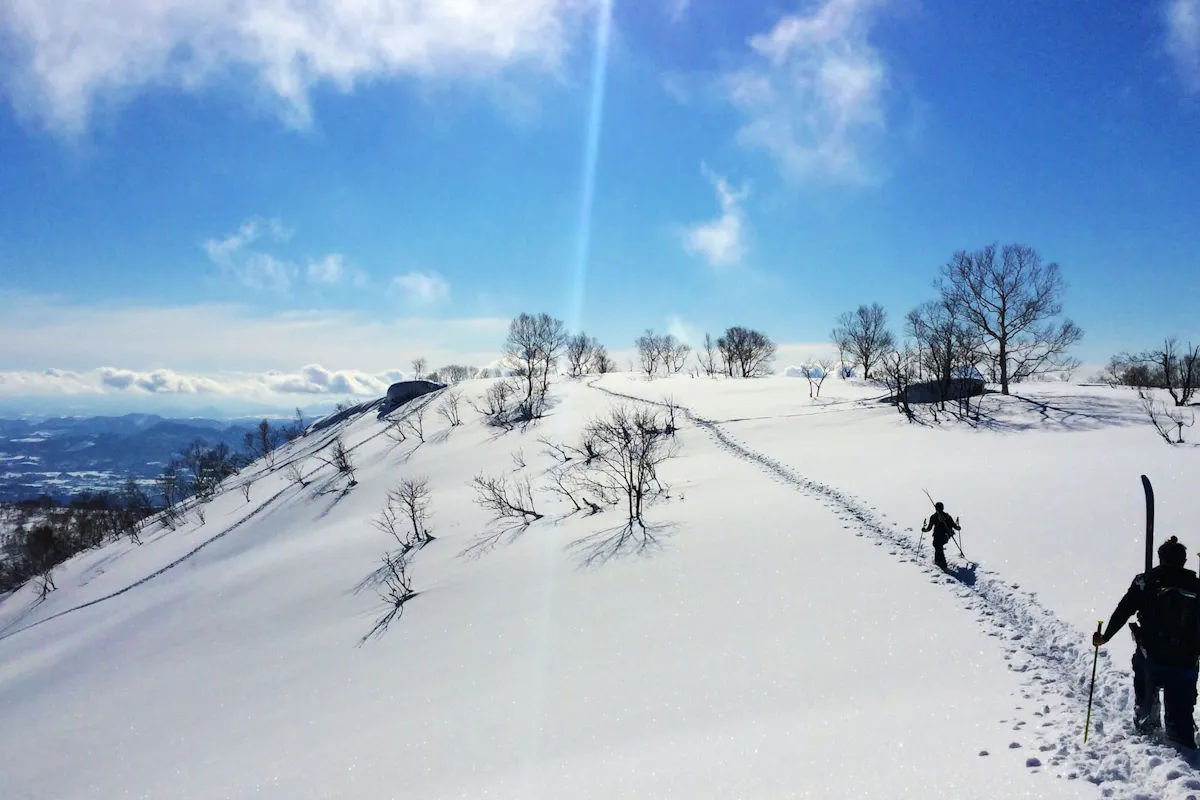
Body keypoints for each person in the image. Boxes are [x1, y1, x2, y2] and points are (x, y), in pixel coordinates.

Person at [1093, 536, 1200, 749]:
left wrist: (1105, 636)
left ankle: (1147, 722)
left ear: (1160, 558)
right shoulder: (1196, 585)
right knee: (1180, 709)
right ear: (1184, 561)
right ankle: (1181, 737)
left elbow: (1124, 610)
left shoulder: (1145, 582)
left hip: (1151, 655)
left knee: (1145, 687)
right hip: (1186, 659)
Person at [921, 502, 960, 571]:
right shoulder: (947, 516)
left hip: (939, 535)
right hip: (945, 535)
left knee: (938, 546)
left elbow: (929, 527)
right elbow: (953, 525)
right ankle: (939, 561)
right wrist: (957, 528)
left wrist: (925, 530)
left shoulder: (934, 517)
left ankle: (941, 562)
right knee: (938, 547)